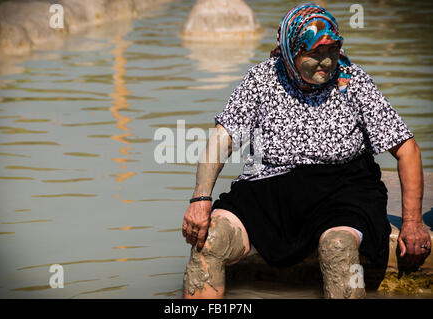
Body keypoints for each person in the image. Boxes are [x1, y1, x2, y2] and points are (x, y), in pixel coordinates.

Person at [181, 3, 431, 299]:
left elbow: (407, 149)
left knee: (337, 249)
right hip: (268, 193)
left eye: (332, 50)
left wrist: (413, 223)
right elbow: (223, 139)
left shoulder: (353, 81)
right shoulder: (262, 79)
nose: (326, 61)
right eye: (315, 53)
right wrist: (200, 198)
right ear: (291, 51)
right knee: (210, 242)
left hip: (342, 193)